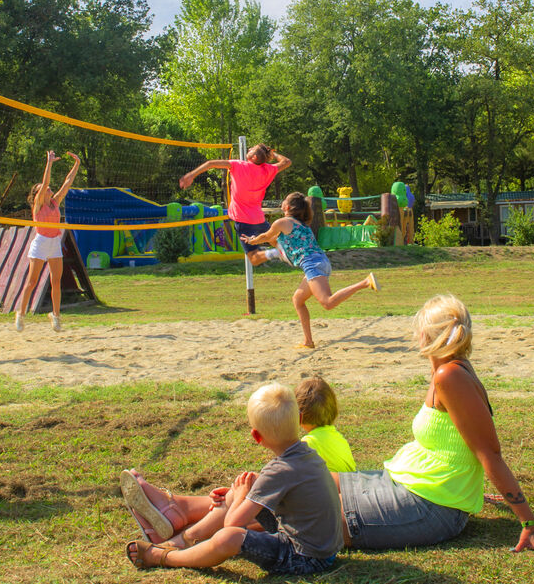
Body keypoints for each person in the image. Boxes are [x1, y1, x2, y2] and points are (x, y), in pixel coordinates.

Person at [331, 295, 534, 554]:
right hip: (407, 480)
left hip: (432, 506)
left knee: (311, 518)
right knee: (309, 484)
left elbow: (489, 453)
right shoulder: (447, 369)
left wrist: (530, 524)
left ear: (424, 334)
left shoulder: (451, 376)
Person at [121, 382, 342, 575]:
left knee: (228, 538)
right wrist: (241, 491)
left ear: (256, 436)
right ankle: (181, 540)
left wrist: (240, 495)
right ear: (299, 419)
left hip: (306, 559)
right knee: (247, 486)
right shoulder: (308, 454)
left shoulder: (278, 470)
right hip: (325, 551)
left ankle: (163, 556)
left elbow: (232, 524)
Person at [243, 191, 378, 348]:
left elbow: (267, 236)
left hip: (312, 264)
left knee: (327, 302)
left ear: (287, 206)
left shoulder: (282, 222)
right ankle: (308, 341)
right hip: (320, 262)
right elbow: (274, 240)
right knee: (298, 300)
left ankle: (365, 282)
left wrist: (252, 241)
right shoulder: (300, 225)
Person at [179, 144, 290, 266]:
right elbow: (286, 161)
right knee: (275, 241)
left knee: (254, 259)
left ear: (253, 157)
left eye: (251, 149)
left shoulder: (238, 165)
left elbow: (211, 163)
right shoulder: (268, 169)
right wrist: (273, 154)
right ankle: (288, 251)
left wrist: (191, 175)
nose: (248, 149)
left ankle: (275, 253)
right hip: (259, 219)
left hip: (243, 220)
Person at [15, 150, 80, 332]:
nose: (50, 190)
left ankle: (56, 316)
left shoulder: (55, 202)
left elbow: (67, 183)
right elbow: (45, 184)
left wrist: (77, 164)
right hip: (41, 242)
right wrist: (49, 162)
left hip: (54, 243)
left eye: (50, 190)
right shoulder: (39, 205)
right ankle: (21, 314)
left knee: (56, 281)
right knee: (32, 281)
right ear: (38, 194)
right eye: (46, 190)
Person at [296, 377, 356, 473]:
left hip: (333, 487)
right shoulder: (338, 437)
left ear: (299, 415)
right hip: (349, 485)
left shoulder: (308, 443)